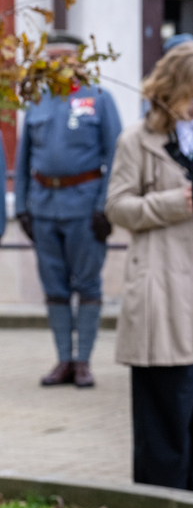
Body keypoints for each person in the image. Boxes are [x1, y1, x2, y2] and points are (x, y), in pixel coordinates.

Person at [105, 42, 193, 492]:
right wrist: (176, 202)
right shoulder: (137, 139)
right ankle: (162, 505)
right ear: (169, 92)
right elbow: (117, 207)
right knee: (167, 402)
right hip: (162, 285)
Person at [14, 33, 122, 389]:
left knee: (88, 285)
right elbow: (25, 155)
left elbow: (115, 156)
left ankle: (83, 362)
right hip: (45, 206)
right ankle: (63, 359)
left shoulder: (98, 98)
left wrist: (104, 206)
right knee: (54, 287)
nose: (56, 65)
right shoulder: (37, 102)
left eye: (64, 58)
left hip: (84, 205)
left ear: (79, 62)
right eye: (50, 59)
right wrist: (23, 208)